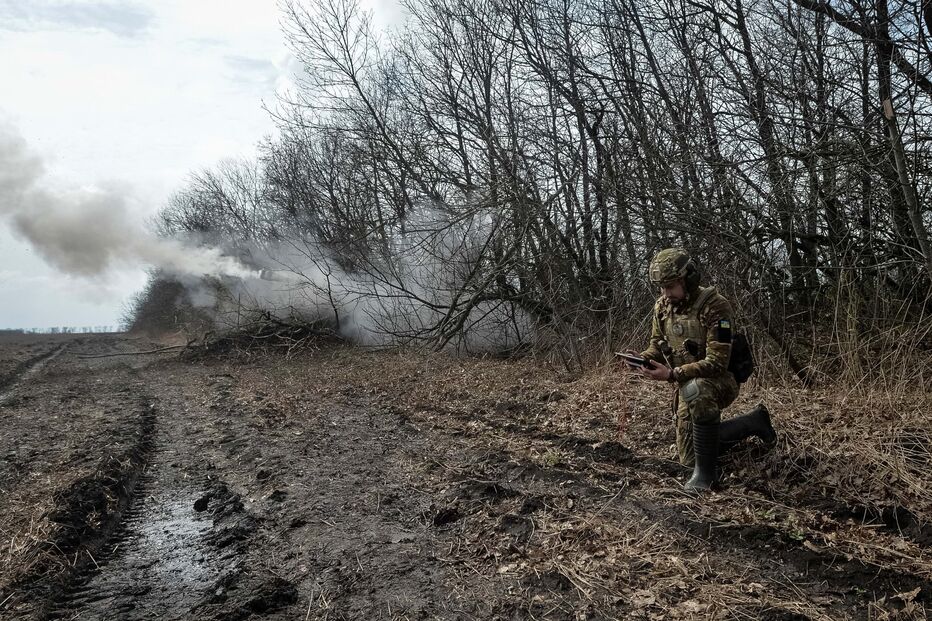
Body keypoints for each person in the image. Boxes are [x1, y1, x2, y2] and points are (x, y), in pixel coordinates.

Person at [632, 248, 776, 491]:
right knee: (689, 458)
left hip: (720, 381)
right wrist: (642, 358)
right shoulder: (662, 307)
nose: (666, 294)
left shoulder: (716, 307)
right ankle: (754, 422)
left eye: (670, 286)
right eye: (662, 288)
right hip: (687, 385)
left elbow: (717, 363)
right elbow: (657, 344)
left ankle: (706, 478)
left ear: (687, 279)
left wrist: (672, 375)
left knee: (697, 390)